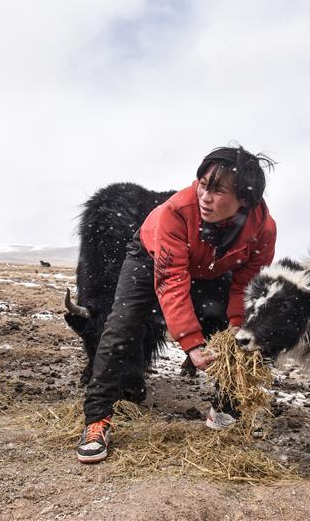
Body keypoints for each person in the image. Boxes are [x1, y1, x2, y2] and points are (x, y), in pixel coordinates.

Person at [77, 145, 277, 463]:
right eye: (202, 184)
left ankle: (225, 407)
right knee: (121, 326)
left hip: (210, 267)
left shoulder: (263, 230)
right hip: (149, 257)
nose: (205, 197)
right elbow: (171, 281)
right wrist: (191, 343)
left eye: (217, 191)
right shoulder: (176, 211)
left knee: (235, 335)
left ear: (245, 199)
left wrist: (237, 324)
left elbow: (246, 284)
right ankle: (97, 420)